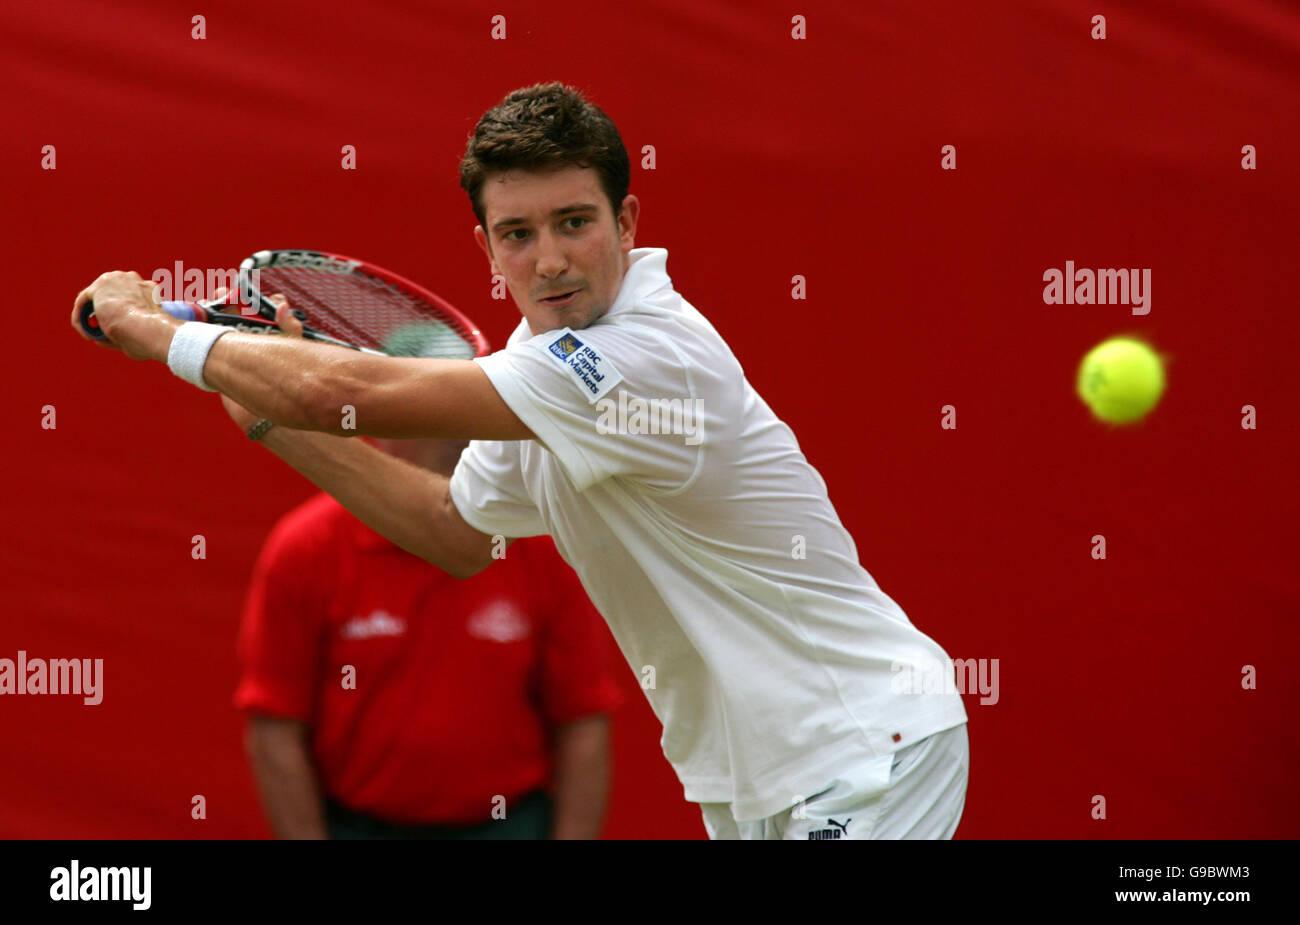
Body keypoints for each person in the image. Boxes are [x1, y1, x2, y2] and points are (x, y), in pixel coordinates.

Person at [73, 81, 970, 840]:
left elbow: (350, 392)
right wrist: (271, 421)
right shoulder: (533, 374)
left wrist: (157, 335)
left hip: (863, 749)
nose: (550, 260)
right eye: (517, 234)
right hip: (764, 771)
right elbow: (454, 531)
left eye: (574, 222)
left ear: (627, 221)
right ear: (485, 247)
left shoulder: (642, 356)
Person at [235, 434, 623, 840]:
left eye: (469, 408)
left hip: (507, 826)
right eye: (435, 410)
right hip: (360, 827)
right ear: (384, 427)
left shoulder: (541, 547)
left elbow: (583, 720)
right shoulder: (307, 548)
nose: (460, 430)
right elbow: (275, 727)